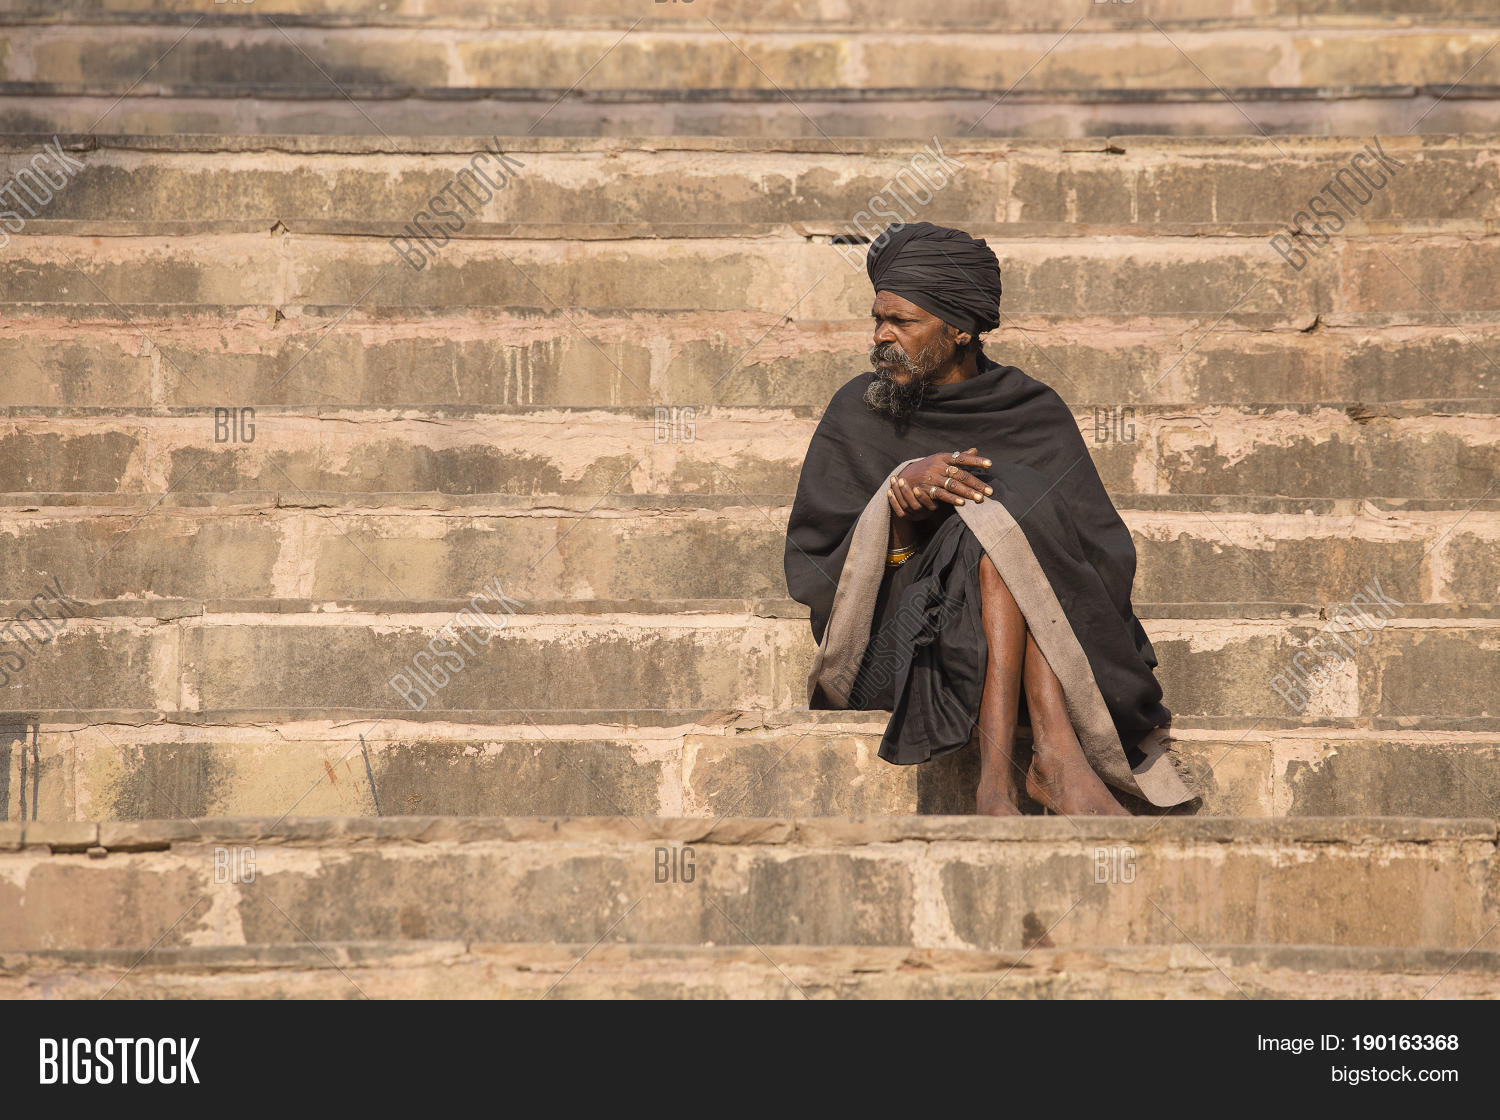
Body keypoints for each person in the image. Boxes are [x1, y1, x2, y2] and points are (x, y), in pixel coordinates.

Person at [784, 222, 1196, 816]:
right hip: (903, 649)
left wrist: (988, 517)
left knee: (999, 508)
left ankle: (1003, 781)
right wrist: (897, 498)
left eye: (902, 322)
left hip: (1046, 639)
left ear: (960, 330)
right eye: (878, 319)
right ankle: (1048, 764)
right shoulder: (858, 411)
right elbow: (818, 571)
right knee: (992, 512)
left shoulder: (1032, 411)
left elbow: (1100, 558)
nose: (881, 337)